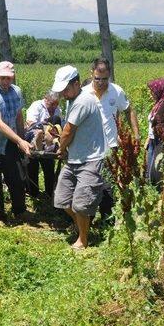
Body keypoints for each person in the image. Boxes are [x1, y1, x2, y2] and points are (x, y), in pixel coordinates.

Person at [52, 65, 106, 249]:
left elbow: (67, 131)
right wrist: (66, 150)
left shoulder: (83, 100)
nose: (63, 94)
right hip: (74, 158)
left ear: (76, 84)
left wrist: (61, 147)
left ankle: (83, 240)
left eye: (66, 89)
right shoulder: (71, 99)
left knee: (81, 205)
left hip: (90, 159)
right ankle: (83, 228)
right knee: (62, 199)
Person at [81, 57, 140, 225]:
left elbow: (129, 111)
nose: (101, 83)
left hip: (109, 148)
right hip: (88, 148)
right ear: (91, 74)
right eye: (97, 79)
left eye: (105, 79)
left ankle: (107, 221)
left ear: (109, 75)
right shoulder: (83, 93)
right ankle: (87, 221)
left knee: (107, 186)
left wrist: (136, 135)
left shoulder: (116, 91)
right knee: (88, 186)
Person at [0, 61, 35, 223]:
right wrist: (19, 140)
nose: (5, 81)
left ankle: (20, 211)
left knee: (16, 178)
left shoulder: (16, 92)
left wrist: (22, 140)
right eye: (2, 78)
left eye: (9, 78)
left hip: (10, 142)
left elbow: (18, 116)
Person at [25, 90, 62, 199]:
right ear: (46, 100)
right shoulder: (37, 105)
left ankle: (49, 193)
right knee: (32, 169)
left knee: (49, 170)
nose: (54, 106)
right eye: (52, 104)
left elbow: (59, 126)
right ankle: (33, 193)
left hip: (50, 139)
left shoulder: (57, 110)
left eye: (56, 104)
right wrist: (45, 127)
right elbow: (30, 122)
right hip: (34, 134)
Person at [145, 78, 164, 184]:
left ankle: (158, 191)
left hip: (159, 142)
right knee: (149, 169)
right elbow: (152, 124)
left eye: (152, 92)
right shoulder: (158, 104)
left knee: (156, 171)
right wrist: (148, 139)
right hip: (152, 140)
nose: (150, 94)